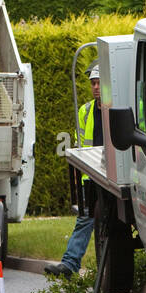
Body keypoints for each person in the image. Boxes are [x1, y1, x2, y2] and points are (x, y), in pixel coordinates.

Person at [46, 64, 103, 277]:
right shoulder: (85, 111)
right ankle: (69, 265)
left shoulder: (120, 107)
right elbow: (80, 146)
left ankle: (97, 269)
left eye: (99, 83)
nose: (96, 87)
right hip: (91, 176)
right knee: (85, 219)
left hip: (116, 176)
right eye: (93, 83)